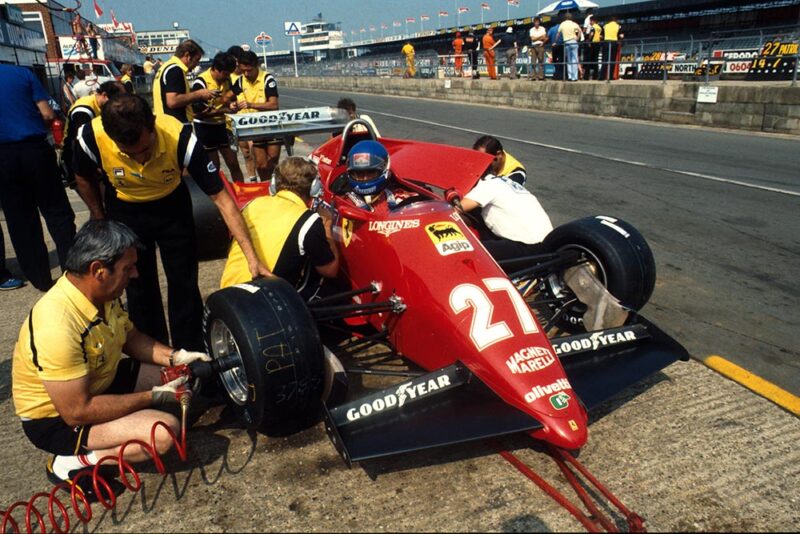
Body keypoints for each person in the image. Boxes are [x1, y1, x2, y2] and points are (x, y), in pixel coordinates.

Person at [11, 219, 206, 497]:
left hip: (98, 381)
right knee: (164, 433)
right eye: (128, 268)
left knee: (184, 378)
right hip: (58, 418)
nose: (135, 274)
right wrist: (152, 396)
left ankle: (123, 422)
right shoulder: (56, 325)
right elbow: (77, 410)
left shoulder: (101, 293)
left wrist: (177, 358)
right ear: (98, 270)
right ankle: (70, 463)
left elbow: (130, 337)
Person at [72, 94, 269, 351]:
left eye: (145, 149)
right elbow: (82, 177)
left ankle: (191, 352)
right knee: (138, 287)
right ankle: (155, 353)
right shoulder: (89, 137)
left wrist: (252, 257)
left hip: (171, 207)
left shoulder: (181, 139)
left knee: (184, 283)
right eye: (130, 154)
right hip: (125, 211)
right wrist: (99, 216)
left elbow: (222, 198)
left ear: (152, 125)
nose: (141, 160)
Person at [0, 63, 76, 292]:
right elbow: (47, 113)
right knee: (57, 213)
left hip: (2, 158)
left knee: (20, 220)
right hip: (34, 150)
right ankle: (71, 271)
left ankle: (40, 278)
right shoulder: (22, 74)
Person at [220, 157, 339, 301]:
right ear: (314, 187)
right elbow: (331, 270)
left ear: (274, 184)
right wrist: (327, 225)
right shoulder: (308, 220)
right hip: (259, 306)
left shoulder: (252, 204)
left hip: (224, 296)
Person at [191, 52, 245, 183]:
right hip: (205, 127)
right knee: (214, 167)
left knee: (233, 163)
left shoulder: (227, 79)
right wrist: (224, 110)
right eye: (225, 74)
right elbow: (199, 113)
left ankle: (241, 191)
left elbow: (227, 98)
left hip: (221, 125)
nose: (227, 77)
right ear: (216, 69)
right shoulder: (201, 82)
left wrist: (231, 104)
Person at [61, 81, 126, 188]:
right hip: (77, 157)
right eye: (117, 100)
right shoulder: (83, 111)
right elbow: (83, 141)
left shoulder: (101, 105)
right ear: (104, 95)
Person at [232, 50, 281, 181]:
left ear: (256, 66)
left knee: (272, 163)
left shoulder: (267, 79)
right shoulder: (239, 81)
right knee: (261, 165)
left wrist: (251, 105)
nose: (246, 74)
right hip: (255, 129)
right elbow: (228, 98)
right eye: (243, 71)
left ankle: (274, 187)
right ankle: (265, 187)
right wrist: (231, 105)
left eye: (249, 70)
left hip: (272, 126)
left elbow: (273, 105)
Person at [153, 39, 218, 125]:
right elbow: (173, 101)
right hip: (176, 126)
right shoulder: (175, 70)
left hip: (166, 123)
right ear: (187, 56)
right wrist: (199, 94)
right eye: (196, 60)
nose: (196, 65)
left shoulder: (165, 67)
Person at [342, 140, 415, 213]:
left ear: (385, 169)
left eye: (371, 173)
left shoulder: (401, 199)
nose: (365, 178)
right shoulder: (343, 204)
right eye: (359, 174)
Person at [559, 12, 582, 82]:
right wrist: (577, 38)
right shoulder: (574, 24)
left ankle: (570, 76)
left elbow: (558, 33)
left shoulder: (562, 24)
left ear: (565, 18)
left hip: (566, 42)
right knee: (574, 59)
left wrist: (555, 41)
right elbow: (580, 30)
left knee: (569, 60)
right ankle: (574, 77)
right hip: (574, 41)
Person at [601, 16, 624, 81]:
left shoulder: (605, 26)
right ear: (615, 20)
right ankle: (610, 76)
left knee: (604, 59)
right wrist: (620, 40)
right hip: (614, 43)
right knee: (612, 60)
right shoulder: (618, 26)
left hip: (605, 42)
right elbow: (621, 36)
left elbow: (601, 36)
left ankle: (602, 76)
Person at [584, 16, 603, 80]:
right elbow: (601, 36)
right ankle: (595, 76)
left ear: (593, 21)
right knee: (595, 60)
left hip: (592, 44)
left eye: (590, 21)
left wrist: (588, 41)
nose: (589, 22)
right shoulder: (600, 27)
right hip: (597, 44)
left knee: (588, 60)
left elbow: (591, 34)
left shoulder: (593, 27)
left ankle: (586, 76)